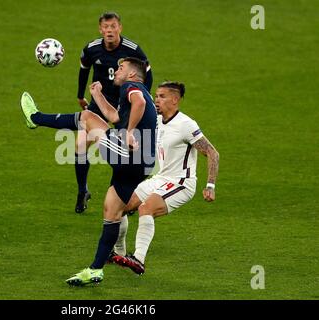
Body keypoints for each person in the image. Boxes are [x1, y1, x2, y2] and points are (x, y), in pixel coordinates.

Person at [19, 57, 157, 285]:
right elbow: (114, 118)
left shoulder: (133, 88)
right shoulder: (132, 92)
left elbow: (139, 102)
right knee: (111, 212)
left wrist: (130, 132)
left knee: (87, 118)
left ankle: (35, 118)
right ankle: (95, 270)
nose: (117, 71)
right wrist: (98, 96)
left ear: (132, 74)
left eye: (121, 68)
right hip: (142, 164)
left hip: (131, 155)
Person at [111, 81, 220, 275]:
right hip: (160, 178)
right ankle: (118, 254)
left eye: (161, 96)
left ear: (175, 100)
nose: (156, 100)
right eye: (156, 95)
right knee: (118, 207)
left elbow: (212, 153)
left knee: (146, 208)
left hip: (181, 182)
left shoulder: (186, 125)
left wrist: (210, 185)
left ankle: (138, 260)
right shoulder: (157, 120)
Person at [74, 11, 153, 213]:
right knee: (81, 144)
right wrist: (80, 95)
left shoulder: (133, 50)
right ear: (100, 29)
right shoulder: (92, 49)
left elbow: (147, 74)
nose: (110, 30)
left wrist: (145, 96)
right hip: (98, 103)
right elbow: (84, 69)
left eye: (113, 26)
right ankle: (82, 191)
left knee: (125, 151)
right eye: (106, 27)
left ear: (120, 28)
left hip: (123, 104)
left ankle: (125, 195)